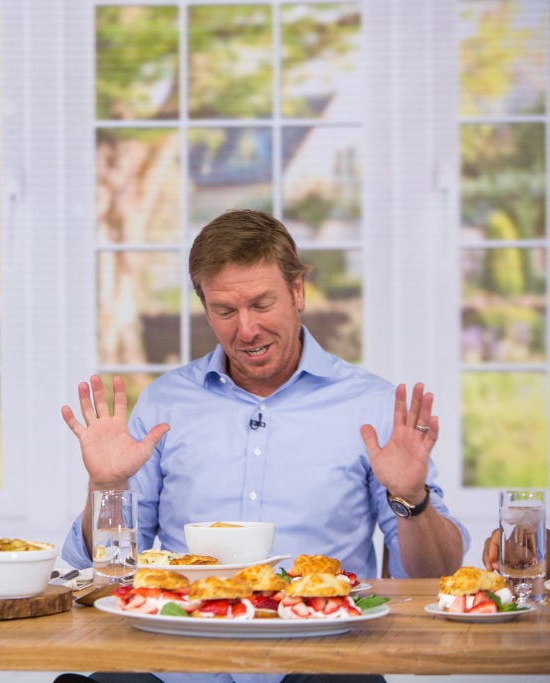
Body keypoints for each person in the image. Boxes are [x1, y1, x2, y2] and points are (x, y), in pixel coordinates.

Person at [56, 209, 468, 683]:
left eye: (261, 304)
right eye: (225, 311)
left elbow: (435, 577)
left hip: (322, 665)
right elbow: (105, 569)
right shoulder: (166, 402)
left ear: (298, 292)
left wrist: (412, 501)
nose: (245, 330)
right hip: (176, 667)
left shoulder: (370, 405)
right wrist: (107, 486)